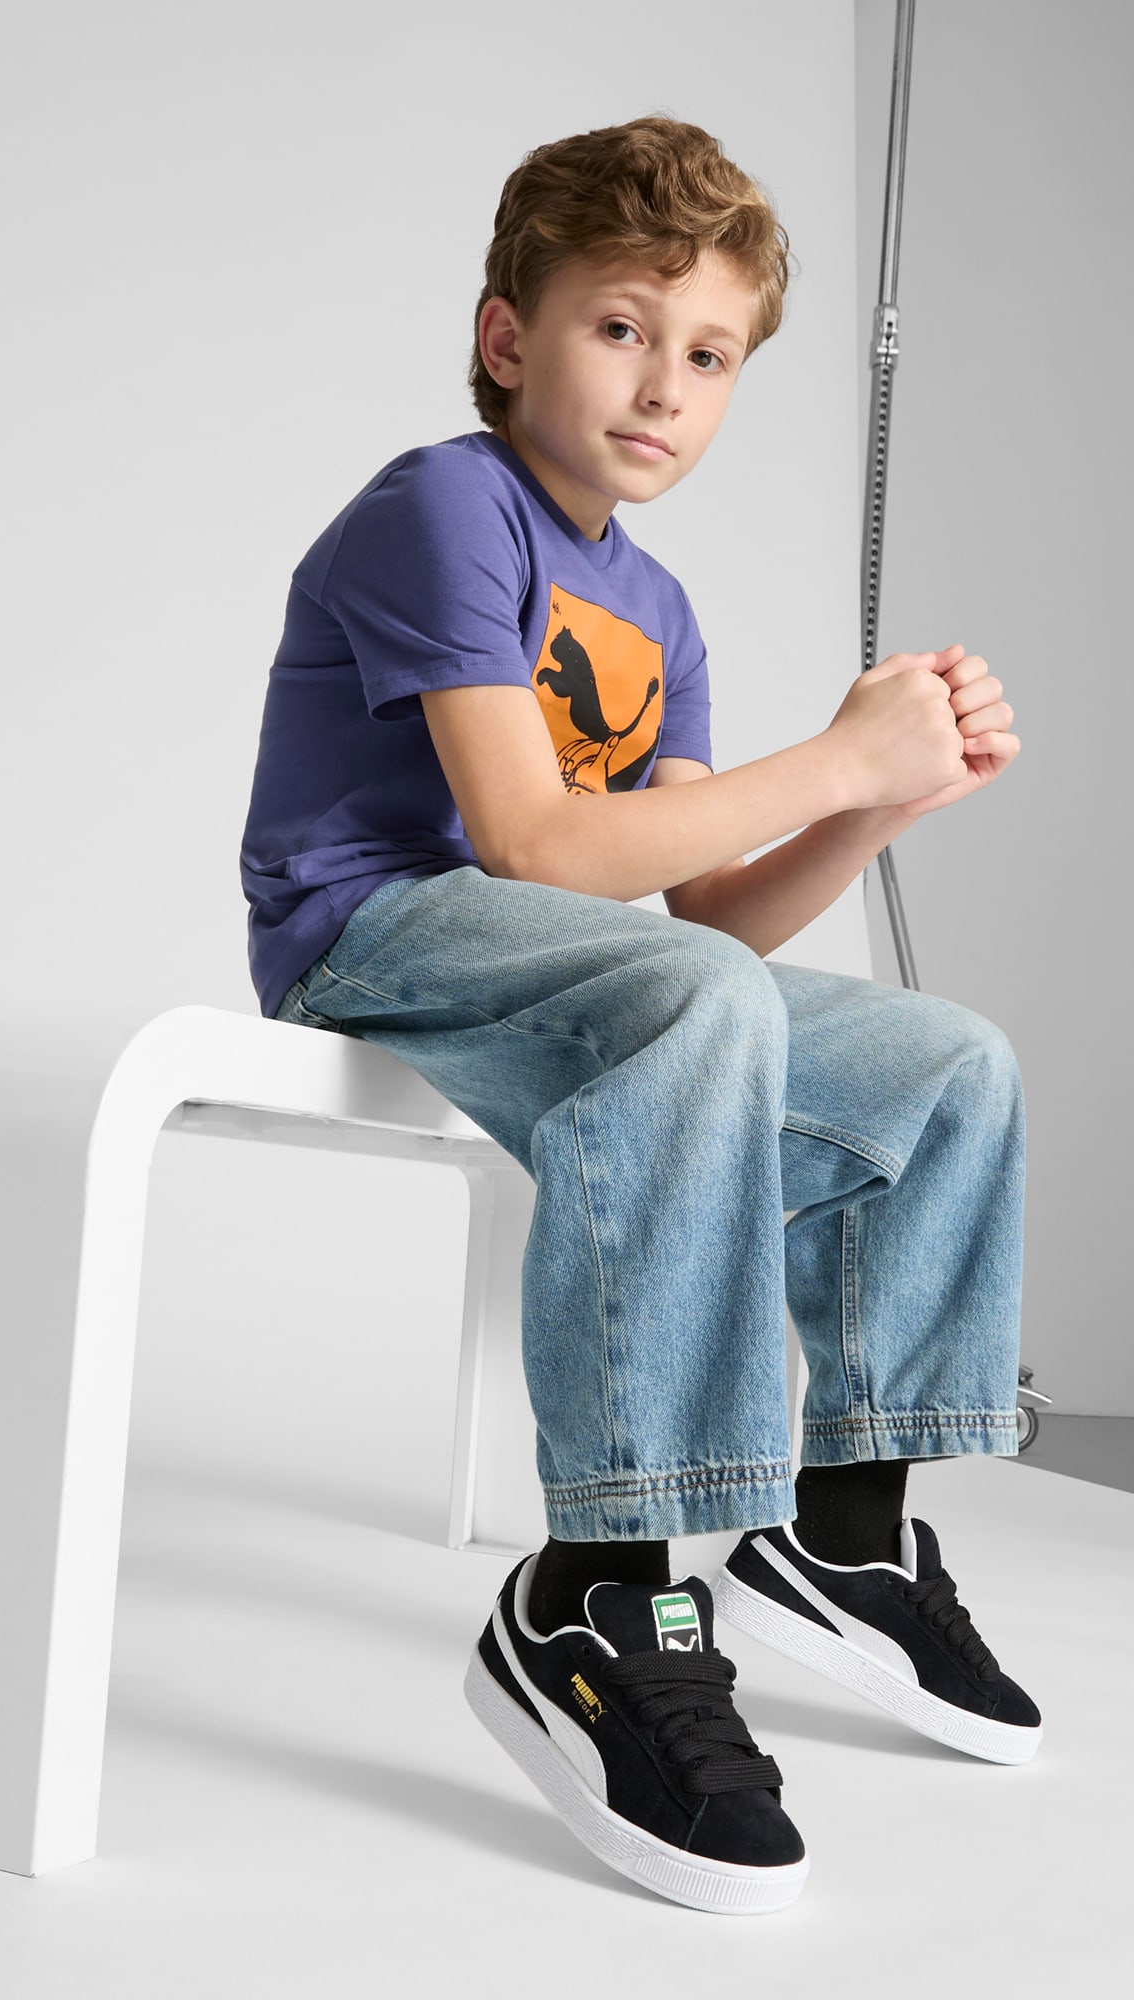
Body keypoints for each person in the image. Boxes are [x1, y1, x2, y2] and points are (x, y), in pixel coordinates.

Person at [238, 114, 1035, 1914]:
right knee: (692, 1003)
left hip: (581, 958)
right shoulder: (446, 507)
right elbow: (531, 845)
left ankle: (849, 1533)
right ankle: (603, 1587)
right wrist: (831, 753)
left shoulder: (657, 607)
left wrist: (880, 800)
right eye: (622, 327)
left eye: (712, 354)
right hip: (375, 930)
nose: (666, 384)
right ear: (508, 335)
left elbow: (707, 918)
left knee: (945, 1064)